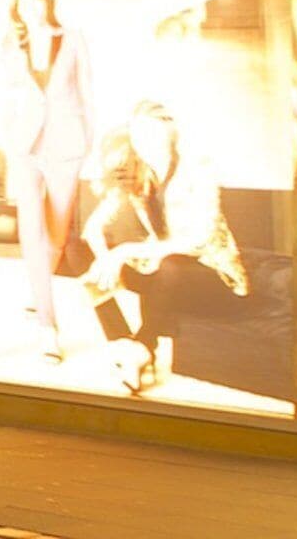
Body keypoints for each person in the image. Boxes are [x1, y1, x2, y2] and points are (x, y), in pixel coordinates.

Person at [80, 102, 249, 396]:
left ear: (170, 134)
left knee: (168, 264)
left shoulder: (198, 169)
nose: (146, 143)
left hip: (210, 274)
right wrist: (105, 260)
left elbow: (199, 239)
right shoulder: (135, 170)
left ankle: (144, 346)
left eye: (153, 134)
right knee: (79, 255)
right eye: (139, 134)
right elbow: (94, 227)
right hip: (161, 270)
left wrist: (122, 253)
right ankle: (126, 347)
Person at [0, 0, 98, 350]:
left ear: (47, 2)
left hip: (66, 145)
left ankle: (38, 287)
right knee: (32, 230)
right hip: (25, 146)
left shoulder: (72, 39)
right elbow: (6, 95)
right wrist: (8, 137)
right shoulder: (10, 44)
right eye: (24, 3)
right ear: (18, 11)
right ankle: (48, 326)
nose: (32, 8)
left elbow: (88, 93)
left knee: (56, 233)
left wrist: (88, 140)